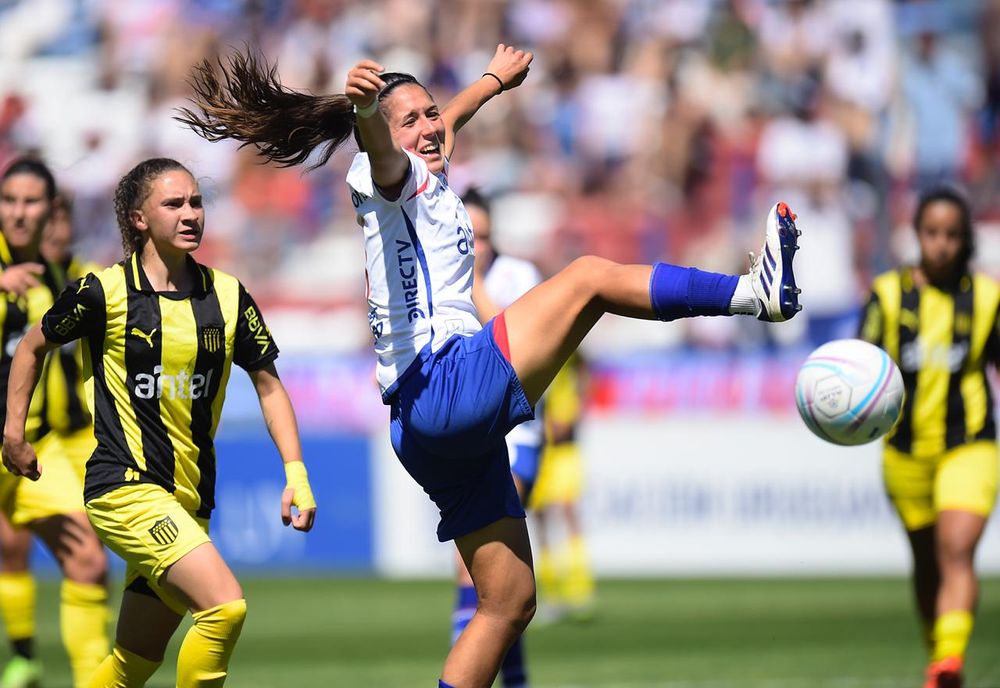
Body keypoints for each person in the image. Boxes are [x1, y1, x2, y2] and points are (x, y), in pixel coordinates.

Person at [177, 44, 802, 688]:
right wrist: (365, 114)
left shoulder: (425, 171)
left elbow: (441, 125)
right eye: (412, 119)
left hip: (421, 426)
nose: (429, 127)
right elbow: (384, 146)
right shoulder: (385, 173)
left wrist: (491, 82)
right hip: (444, 380)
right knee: (588, 278)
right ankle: (753, 294)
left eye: (430, 113)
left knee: (508, 603)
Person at [1, 157, 318, 688]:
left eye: (196, 202)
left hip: (189, 498)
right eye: (174, 204)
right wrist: (14, 433)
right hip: (123, 488)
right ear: (139, 218)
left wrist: (297, 472)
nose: (190, 213)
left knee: (134, 661)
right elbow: (32, 346)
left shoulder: (229, 296)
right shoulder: (102, 292)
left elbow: (269, 384)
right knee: (224, 608)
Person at [858, 184, 997, 688]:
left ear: (965, 240)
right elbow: (860, 366)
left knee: (955, 548)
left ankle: (950, 660)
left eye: (952, 235)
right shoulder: (888, 295)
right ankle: (939, 654)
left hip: (969, 444)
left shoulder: (988, 297)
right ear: (917, 235)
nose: (941, 244)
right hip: (904, 452)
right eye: (932, 233)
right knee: (926, 563)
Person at [0, 158, 109, 688]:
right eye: (9, 201)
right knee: (10, 550)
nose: (19, 213)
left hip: (29, 446)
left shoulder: (60, 276)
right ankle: (22, 655)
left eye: (31, 202)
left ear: (51, 210)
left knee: (88, 561)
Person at [449, 188, 545, 688]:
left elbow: (510, 346)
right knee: (497, 583)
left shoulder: (518, 276)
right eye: (469, 236)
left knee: (485, 570)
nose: (477, 246)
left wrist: (473, 285)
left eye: (483, 236)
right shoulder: (438, 280)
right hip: (470, 438)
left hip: (519, 435)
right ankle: (515, 679)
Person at [530, 353, 595, 623]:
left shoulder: (572, 355)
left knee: (568, 512)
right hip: (539, 447)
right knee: (540, 518)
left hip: (564, 448)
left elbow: (585, 369)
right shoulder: (539, 353)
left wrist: (575, 411)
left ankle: (579, 590)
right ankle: (552, 595)